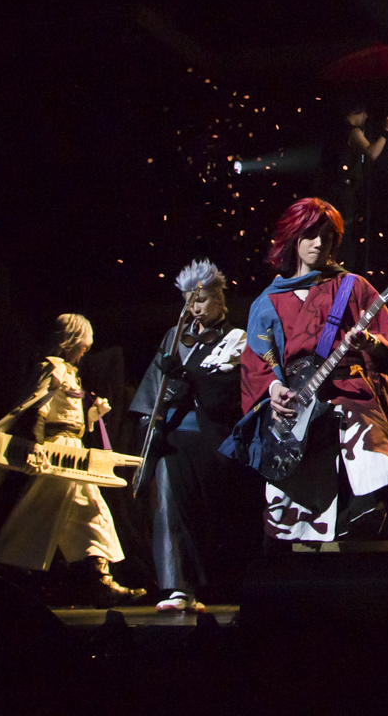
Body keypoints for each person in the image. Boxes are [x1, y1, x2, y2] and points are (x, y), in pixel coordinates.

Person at [238, 198, 388, 550]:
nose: (319, 244)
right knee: (282, 505)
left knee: (382, 470)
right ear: (292, 237)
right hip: (296, 410)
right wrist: (275, 390)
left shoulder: (352, 287)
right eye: (310, 235)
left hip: (350, 394)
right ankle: (272, 584)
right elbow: (257, 363)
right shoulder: (267, 303)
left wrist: (369, 342)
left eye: (327, 237)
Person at [0, 314, 147, 604]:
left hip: (73, 449)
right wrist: (35, 443)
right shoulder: (51, 368)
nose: (85, 351)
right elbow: (37, 407)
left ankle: (101, 582)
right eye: (83, 346)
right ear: (71, 341)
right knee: (44, 510)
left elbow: (69, 415)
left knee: (89, 511)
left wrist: (93, 414)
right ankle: (10, 574)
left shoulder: (70, 372)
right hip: (57, 450)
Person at [130, 259, 258, 612]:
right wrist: (149, 428)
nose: (195, 309)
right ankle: (177, 587)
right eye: (189, 302)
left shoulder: (235, 338)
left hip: (211, 438)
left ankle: (213, 586)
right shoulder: (175, 336)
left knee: (210, 513)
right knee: (167, 502)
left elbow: (227, 391)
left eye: (200, 300)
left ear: (218, 297)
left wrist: (188, 375)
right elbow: (153, 388)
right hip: (172, 434)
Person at [318, 101, 388, 268]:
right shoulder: (353, 131)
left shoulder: (338, 130)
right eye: (364, 113)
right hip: (343, 191)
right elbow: (371, 153)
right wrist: (386, 133)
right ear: (356, 112)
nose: (366, 117)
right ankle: (341, 269)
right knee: (344, 232)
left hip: (335, 188)